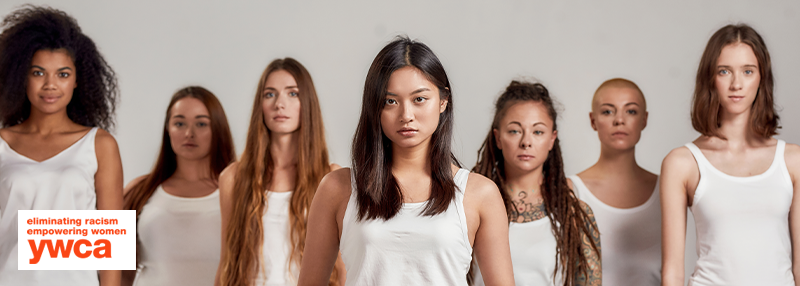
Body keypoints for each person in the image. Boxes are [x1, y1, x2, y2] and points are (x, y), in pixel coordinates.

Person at [297, 37, 514, 286]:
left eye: (419, 99)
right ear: (374, 108)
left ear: (443, 101)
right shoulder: (337, 188)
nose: (406, 115)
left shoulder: (480, 193)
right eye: (391, 101)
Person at [661, 24, 800, 285]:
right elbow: (672, 271)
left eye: (748, 71)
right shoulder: (682, 163)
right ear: (710, 78)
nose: (736, 84)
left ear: (762, 78)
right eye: (724, 71)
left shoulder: (793, 161)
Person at [0, 5, 123, 286]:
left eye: (63, 74)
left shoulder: (99, 145)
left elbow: (110, 248)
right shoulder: (2, 144)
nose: (50, 85)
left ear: (78, 80)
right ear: (22, 76)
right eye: (38, 73)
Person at [215, 58, 344, 286]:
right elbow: (226, 262)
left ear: (307, 102)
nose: (279, 104)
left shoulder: (332, 178)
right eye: (270, 94)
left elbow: (342, 268)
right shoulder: (232, 178)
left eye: (292, 93)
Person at [471, 80, 601, 286]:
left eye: (538, 131)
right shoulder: (469, 205)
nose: (526, 141)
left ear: (552, 139)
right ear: (497, 138)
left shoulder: (574, 214)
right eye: (514, 130)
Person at [122, 86, 236, 286]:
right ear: (168, 128)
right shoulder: (138, 190)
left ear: (217, 128)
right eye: (179, 123)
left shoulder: (237, 193)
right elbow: (119, 274)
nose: (189, 133)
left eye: (201, 124)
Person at [569, 78, 659, 286]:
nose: (619, 120)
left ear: (644, 120)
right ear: (593, 120)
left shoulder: (667, 189)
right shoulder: (572, 190)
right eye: (608, 111)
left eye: (631, 111)